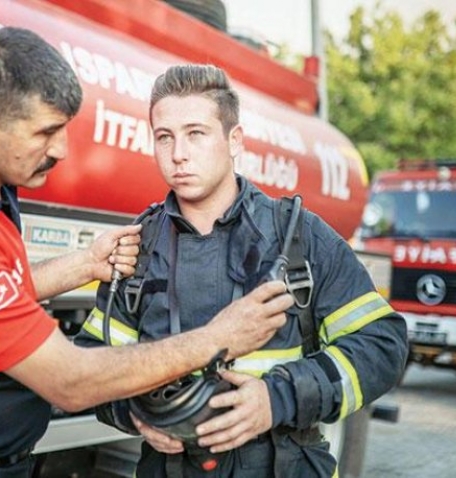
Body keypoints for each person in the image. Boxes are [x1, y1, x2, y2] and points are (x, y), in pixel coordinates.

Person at [0, 29, 294, 478]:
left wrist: (85, 265)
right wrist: (215, 338)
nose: (62, 149)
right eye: (46, 132)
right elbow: (71, 381)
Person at [75, 64, 409, 477]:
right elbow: (89, 362)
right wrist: (134, 414)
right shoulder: (136, 249)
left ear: (234, 141)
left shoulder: (298, 236)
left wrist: (278, 399)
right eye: (165, 137)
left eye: (196, 133)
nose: (179, 153)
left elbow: (382, 344)